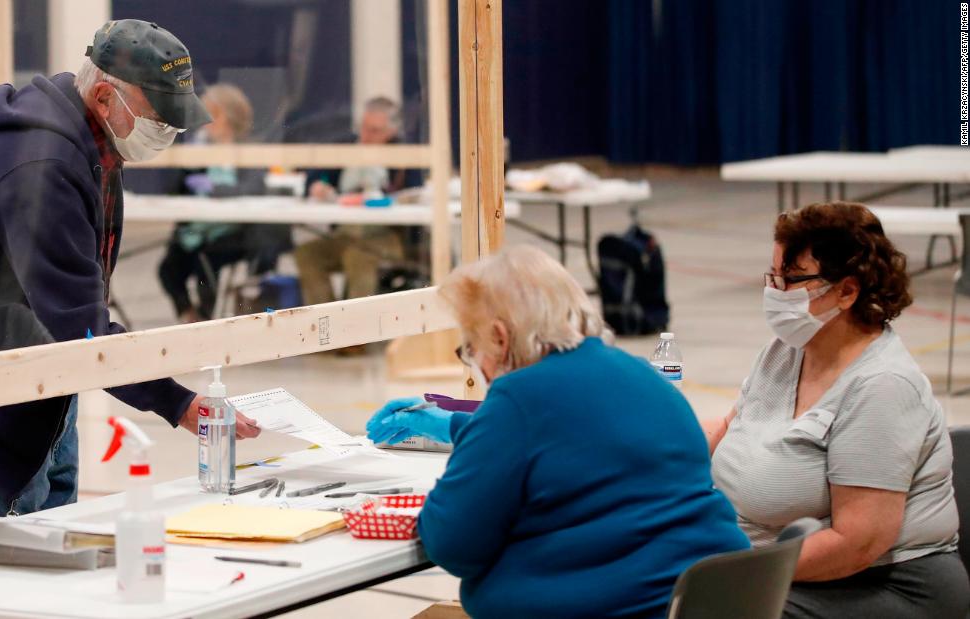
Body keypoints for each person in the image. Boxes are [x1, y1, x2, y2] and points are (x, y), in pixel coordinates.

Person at [0, 20, 261, 517]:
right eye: (159, 118)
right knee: (1, 573)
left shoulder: (92, 143)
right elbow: (79, 322)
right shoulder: (38, 162)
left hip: (45, 382)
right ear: (107, 97)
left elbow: (77, 317)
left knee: (55, 553)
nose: (168, 133)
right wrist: (177, 403)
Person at [366, 246, 750, 618]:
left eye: (470, 346)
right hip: (706, 599)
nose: (475, 362)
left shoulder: (518, 398)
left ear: (499, 337)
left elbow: (451, 543)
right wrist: (462, 427)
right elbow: (583, 439)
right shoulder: (643, 375)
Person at [705, 202, 969, 618]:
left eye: (791, 279)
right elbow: (731, 427)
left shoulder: (882, 387)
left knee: (711, 609)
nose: (775, 292)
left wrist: (730, 568)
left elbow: (857, 543)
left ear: (847, 291)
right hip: (786, 565)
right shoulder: (786, 351)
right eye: (772, 276)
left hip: (883, 583)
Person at [157, 83, 292, 322]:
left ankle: (207, 318)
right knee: (169, 269)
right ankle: (190, 316)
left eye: (213, 114)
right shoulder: (199, 149)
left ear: (229, 118)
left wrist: (215, 189)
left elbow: (251, 189)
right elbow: (175, 190)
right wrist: (187, 167)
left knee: (207, 267)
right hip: (195, 230)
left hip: (230, 232)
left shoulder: (247, 151)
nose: (206, 121)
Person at [294, 97, 423, 309]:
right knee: (308, 255)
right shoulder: (348, 146)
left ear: (391, 132)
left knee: (357, 257)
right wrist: (317, 185)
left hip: (385, 236)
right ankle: (325, 328)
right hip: (346, 233)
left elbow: (414, 193)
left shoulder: (404, 156)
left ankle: (354, 338)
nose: (366, 136)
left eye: (374, 131)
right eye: (364, 128)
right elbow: (315, 176)